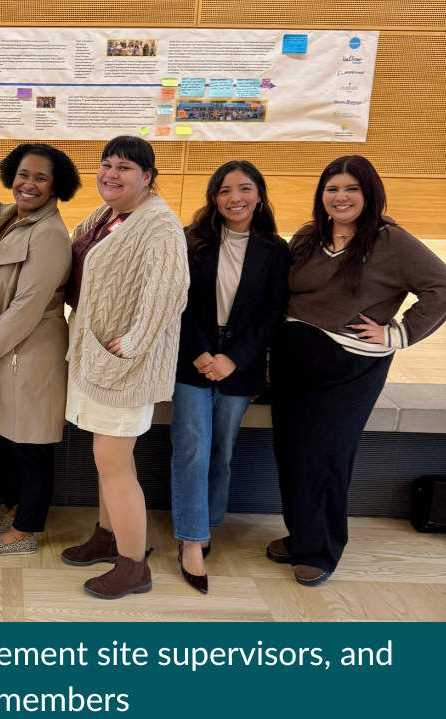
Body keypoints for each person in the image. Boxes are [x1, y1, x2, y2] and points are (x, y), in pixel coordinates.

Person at [269, 155, 446, 586]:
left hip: (346, 371)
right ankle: (302, 536)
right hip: (293, 361)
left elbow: (441, 287)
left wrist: (397, 334)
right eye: (332, 189)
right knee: (291, 452)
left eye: (351, 188)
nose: (340, 197)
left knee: (323, 456)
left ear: (370, 194)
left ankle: (320, 551)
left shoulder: (391, 242)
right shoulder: (310, 237)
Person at [59, 135, 189, 598]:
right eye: (106, 163)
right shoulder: (110, 214)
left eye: (125, 168)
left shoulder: (159, 225)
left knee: (113, 462)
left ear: (148, 177)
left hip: (124, 366)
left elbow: (170, 292)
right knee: (107, 460)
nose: (110, 174)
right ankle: (107, 536)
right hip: (98, 355)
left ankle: (134, 566)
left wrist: (132, 345)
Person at [170, 161, 290, 594]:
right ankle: (191, 540)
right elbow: (175, 302)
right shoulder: (191, 242)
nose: (234, 198)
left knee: (220, 451)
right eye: (223, 190)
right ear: (213, 198)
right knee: (192, 448)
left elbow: (273, 314)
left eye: (244, 189)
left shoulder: (276, 250)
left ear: (259, 194)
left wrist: (233, 359)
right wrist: (203, 353)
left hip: (240, 365)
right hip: (192, 358)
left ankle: (206, 523)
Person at [0, 143, 81, 556]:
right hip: (2, 348)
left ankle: (25, 531)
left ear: (56, 185)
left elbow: (28, 306)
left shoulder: (49, 234)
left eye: (41, 178)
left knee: (31, 442)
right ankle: (17, 505)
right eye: (23, 174)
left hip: (28, 350)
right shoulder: (14, 219)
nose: (29, 184)